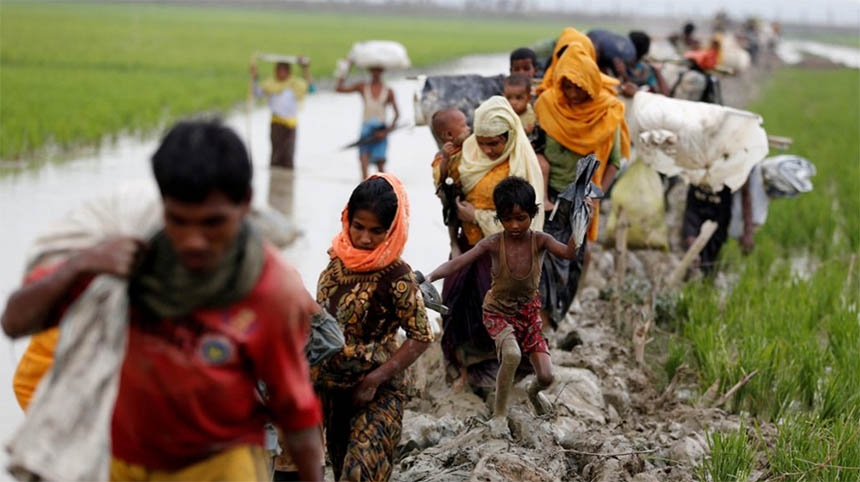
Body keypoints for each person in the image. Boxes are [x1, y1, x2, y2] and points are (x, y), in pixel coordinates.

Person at [3, 120, 324, 481]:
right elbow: (14, 322)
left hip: (216, 468)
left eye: (212, 223)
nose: (193, 241)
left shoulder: (271, 291)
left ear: (246, 204)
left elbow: (296, 412)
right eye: (178, 220)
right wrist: (82, 264)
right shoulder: (128, 259)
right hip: (121, 463)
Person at [426, 177, 580, 434]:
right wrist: (430, 277)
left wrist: (580, 224)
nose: (515, 225)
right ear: (498, 217)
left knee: (546, 377)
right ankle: (498, 415)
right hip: (498, 312)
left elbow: (569, 253)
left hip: (528, 316)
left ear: (533, 214)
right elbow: (458, 262)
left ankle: (533, 393)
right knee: (511, 355)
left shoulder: (540, 241)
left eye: (521, 218)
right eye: (507, 219)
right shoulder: (494, 243)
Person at [312, 173, 433, 482]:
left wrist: (374, 380)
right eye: (358, 227)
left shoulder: (397, 275)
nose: (365, 238)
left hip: (377, 388)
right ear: (347, 219)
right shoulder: (337, 260)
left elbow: (421, 336)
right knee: (339, 464)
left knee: (360, 471)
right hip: (333, 386)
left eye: (376, 231)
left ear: (391, 230)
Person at [439, 96, 544, 391]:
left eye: (494, 144)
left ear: (508, 137)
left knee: (496, 309)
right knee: (456, 306)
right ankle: (465, 368)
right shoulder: (467, 152)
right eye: (482, 142)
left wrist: (477, 215)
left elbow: (524, 219)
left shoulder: (521, 166)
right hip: (469, 244)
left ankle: (504, 368)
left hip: (502, 252)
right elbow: (449, 190)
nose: (486, 150)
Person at [533, 44, 630, 329]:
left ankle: (554, 320)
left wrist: (596, 197)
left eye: (579, 87)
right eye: (568, 86)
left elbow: (614, 162)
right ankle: (540, 324)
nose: (573, 93)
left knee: (572, 261)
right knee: (544, 262)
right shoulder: (548, 104)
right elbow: (534, 147)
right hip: (548, 198)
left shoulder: (606, 112)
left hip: (582, 201)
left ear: (590, 84)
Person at [251, 58, 313, 220]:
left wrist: (305, 69)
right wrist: (254, 76)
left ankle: (285, 194)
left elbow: (312, 89)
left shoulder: (295, 85)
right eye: (278, 71)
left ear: (288, 72)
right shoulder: (271, 85)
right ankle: (274, 195)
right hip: (276, 123)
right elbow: (257, 93)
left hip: (290, 125)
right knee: (276, 154)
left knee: (288, 156)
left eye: (283, 71)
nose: (280, 74)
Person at [336, 63, 400, 179]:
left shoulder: (388, 91)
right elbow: (339, 89)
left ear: (382, 71)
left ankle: (383, 189)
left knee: (381, 168)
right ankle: (364, 187)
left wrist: (385, 132)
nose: (375, 73)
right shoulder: (362, 87)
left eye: (378, 70)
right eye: (373, 70)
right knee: (363, 163)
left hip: (380, 130)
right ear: (370, 71)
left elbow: (397, 115)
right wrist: (345, 69)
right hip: (366, 130)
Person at [430, 108, 471, 257]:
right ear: (449, 135)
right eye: (464, 126)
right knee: (452, 214)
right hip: (452, 191)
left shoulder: (469, 144)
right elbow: (440, 178)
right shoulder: (442, 156)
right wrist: (446, 160)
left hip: (468, 187)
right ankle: (453, 242)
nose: (468, 129)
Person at [625, 31, 669, 96]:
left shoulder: (620, 64)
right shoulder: (646, 69)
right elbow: (665, 94)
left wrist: (657, 71)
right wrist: (657, 72)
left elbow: (665, 93)